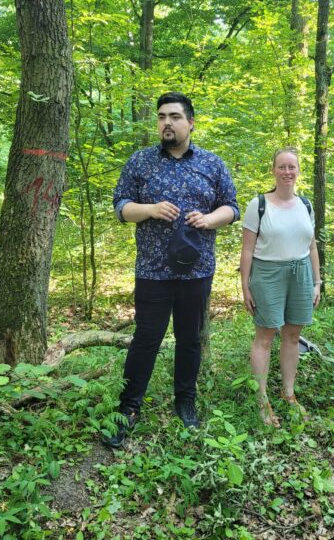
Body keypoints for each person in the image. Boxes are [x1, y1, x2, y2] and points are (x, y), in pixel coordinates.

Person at [105, 92, 239, 448]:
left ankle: (186, 402)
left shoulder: (212, 164)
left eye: (175, 117)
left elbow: (232, 207)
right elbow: (120, 206)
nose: (167, 122)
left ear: (190, 122)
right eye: (162, 116)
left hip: (197, 271)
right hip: (152, 270)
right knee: (146, 340)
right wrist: (148, 209)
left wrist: (209, 219)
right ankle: (128, 408)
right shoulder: (141, 162)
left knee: (190, 339)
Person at [240, 148, 321, 427]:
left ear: (298, 171)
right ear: (273, 170)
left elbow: (312, 246)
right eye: (282, 167)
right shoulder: (259, 204)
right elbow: (248, 250)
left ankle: (289, 394)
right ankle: (262, 400)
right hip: (267, 273)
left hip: (300, 273)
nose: (287, 172)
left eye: (292, 167)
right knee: (265, 336)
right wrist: (245, 286)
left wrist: (316, 281)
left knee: (293, 334)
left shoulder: (306, 205)